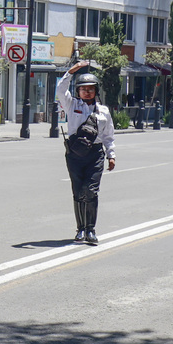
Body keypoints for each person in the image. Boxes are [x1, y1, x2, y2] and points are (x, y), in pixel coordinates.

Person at [57, 61, 116, 246]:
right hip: (75, 154)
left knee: (91, 191)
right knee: (77, 191)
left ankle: (91, 230)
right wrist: (72, 71)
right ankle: (80, 229)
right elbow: (60, 89)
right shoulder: (71, 104)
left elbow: (108, 135)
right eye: (83, 89)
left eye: (90, 89)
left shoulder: (104, 111)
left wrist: (111, 155)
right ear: (78, 91)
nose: (87, 92)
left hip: (95, 154)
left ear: (96, 90)